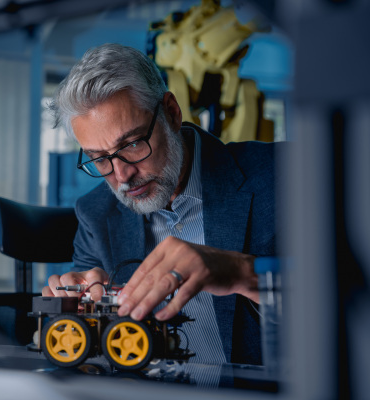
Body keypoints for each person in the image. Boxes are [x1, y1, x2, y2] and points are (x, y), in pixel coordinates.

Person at [43, 43, 283, 366]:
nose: (122, 175)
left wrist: (243, 273)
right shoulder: (95, 215)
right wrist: (80, 301)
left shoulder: (278, 177)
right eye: (100, 160)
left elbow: (347, 293)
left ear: (171, 112)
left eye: (131, 144)